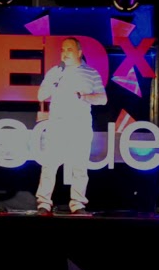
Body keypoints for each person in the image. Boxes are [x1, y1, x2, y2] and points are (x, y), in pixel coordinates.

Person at [36, 37, 107, 215]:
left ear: (79, 53)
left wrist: (84, 97)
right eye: (62, 50)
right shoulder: (55, 71)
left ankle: (77, 204)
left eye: (69, 49)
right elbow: (41, 95)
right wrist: (54, 82)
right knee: (49, 165)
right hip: (57, 124)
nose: (64, 53)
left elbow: (102, 99)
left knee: (79, 166)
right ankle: (44, 203)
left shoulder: (91, 73)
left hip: (79, 124)